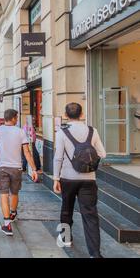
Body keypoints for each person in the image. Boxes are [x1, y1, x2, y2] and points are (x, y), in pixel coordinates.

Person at [53, 103, 106, 258]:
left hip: (68, 178)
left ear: (66, 115)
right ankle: (95, 253)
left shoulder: (62, 132)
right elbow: (102, 153)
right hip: (89, 179)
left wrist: (56, 178)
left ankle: (66, 238)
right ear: (82, 114)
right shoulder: (92, 131)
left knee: (66, 208)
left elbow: (58, 157)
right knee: (90, 215)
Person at [0, 109, 39, 236]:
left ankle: (7, 224)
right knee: (14, 192)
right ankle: (13, 213)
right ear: (13, 118)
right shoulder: (20, 132)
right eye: (17, 117)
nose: (17, 119)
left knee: (3, 194)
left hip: (1, 167)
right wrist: (34, 169)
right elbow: (27, 152)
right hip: (16, 168)